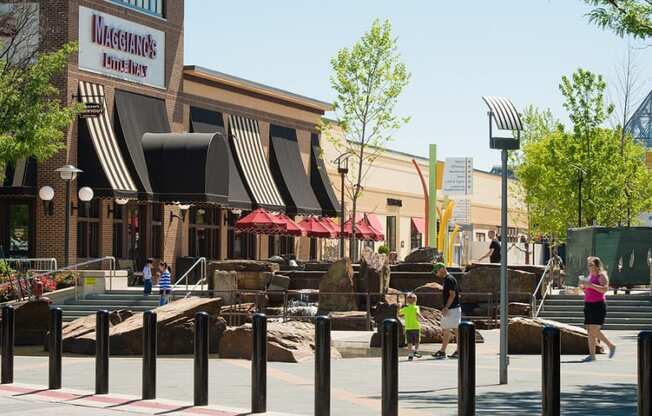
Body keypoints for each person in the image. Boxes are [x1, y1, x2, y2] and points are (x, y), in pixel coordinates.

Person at [580, 256, 616, 362]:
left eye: (591, 264)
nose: (589, 267)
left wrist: (590, 285)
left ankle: (611, 345)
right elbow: (589, 291)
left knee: (594, 329)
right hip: (588, 304)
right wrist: (584, 288)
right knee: (589, 331)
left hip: (598, 305)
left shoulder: (602, 275)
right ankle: (592, 355)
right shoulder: (590, 275)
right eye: (588, 265)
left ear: (597, 265)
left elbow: (604, 289)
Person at [432, 262, 461, 359]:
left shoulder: (449, 279)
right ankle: (443, 351)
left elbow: (452, 295)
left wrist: (446, 307)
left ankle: (457, 350)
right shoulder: (447, 279)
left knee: (455, 329)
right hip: (451, 308)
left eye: (437, 271)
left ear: (442, 269)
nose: (436, 274)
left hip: (452, 308)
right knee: (447, 329)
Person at [399, 292, 424, 361]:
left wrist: (399, 307)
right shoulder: (416, 307)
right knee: (417, 341)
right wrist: (423, 319)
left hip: (408, 328)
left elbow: (399, 313)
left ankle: (410, 353)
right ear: (415, 301)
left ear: (407, 301)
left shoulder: (405, 309)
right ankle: (416, 350)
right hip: (416, 327)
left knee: (409, 342)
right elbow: (418, 314)